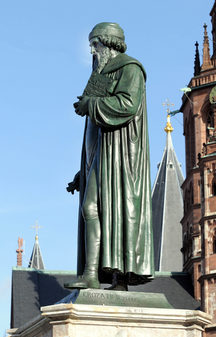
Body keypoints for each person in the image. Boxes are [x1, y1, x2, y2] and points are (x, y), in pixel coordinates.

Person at [66, 22, 154, 290]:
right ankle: (92, 274)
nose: (93, 50)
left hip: (120, 160)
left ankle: (113, 278)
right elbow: (96, 137)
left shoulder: (130, 69)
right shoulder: (101, 75)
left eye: (96, 44)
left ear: (110, 43)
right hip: (101, 159)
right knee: (92, 209)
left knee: (101, 210)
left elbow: (127, 105)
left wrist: (90, 104)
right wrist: (84, 170)